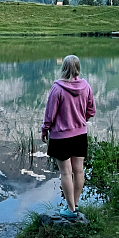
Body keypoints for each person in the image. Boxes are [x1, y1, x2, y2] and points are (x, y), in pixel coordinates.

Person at [41, 55, 96, 220]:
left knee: (66, 173)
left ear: (64, 68)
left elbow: (50, 114)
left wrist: (45, 130)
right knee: (79, 171)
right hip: (80, 134)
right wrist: (80, 121)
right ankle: (74, 205)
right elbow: (91, 111)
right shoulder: (86, 86)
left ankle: (70, 211)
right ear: (78, 68)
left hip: (61, 137)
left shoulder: (57, 88)